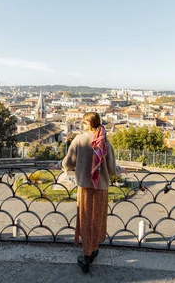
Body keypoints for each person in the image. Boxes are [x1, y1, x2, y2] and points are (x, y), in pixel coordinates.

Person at [57, 112, 126, 273]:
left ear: (87, 123)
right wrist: (120, 170)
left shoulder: (79, 140)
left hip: (85, 187)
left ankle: (87, 254)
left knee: (85, 218)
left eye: (83, 122)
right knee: (97, 218)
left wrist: (59, 165)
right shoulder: (105, 142)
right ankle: (93, 248)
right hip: (101, 187)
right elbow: (111, 169)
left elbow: (67, 163)